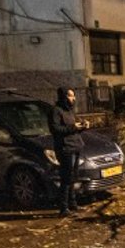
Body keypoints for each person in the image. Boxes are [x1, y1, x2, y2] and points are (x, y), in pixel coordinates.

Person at [48, 87, 85, 215]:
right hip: (65, 149)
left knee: (73, 177)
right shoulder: (55, 111)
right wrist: (72, 127)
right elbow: (56, 129)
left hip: (75, 147)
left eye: (73, 96)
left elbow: (73, 129)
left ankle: (73, 204)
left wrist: (82, 127)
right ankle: (63, 208)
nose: (73, 99)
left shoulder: (69, 111)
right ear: (63, 97)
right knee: (66, 178)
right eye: (70, 96)